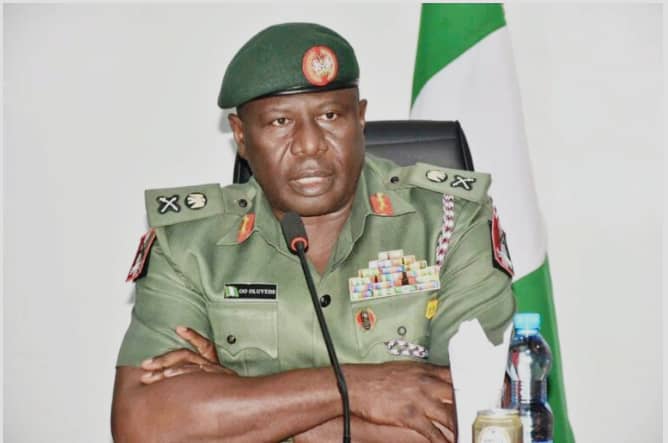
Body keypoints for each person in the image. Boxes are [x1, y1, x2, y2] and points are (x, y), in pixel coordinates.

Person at [111, 22, 515, 443]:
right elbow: (143, 426)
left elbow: (475, 421)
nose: (309, 144)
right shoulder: (188, 246)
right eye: (280, 121)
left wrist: (242, 404)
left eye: (329, 116)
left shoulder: (451, 222)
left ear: (360, 118)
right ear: (241, 136)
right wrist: (361, 390)